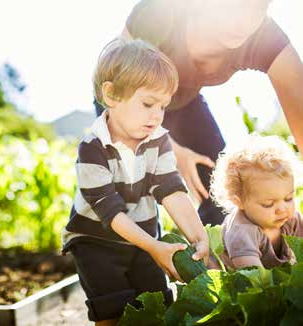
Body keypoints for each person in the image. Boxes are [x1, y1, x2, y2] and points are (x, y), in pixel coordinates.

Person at [95, 0, 303, 226]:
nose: (243, 22)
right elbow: (115, 86)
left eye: (257, 9)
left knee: (220, 191)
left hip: (184, 104)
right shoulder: (160, 11)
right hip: (122, 101)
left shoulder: (267, 38)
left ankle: (219, 255)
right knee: (129, 191)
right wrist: (169, 149)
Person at [61, 38, 209, 326]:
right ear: (112, 95)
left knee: (157, 304)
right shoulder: (92, 149)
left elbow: (171, 190)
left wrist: (198, 236)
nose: (157, 115)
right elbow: (110, 212)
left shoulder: (159, 141)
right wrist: (153, 248)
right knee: (111, 311)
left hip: (143, 236)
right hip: (96, 241)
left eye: (163, 106)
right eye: (148, 103)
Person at [210, 134, 303, 270]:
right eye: (268, 204)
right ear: (239, 201)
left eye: (288, 198)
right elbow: (255, 280)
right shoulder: (241, 232)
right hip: (241, 284)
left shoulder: (291, 220)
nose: (282, 209)